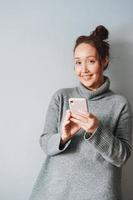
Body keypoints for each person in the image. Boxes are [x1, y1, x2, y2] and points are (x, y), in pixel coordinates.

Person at [29, 25, 132, 200]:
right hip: (53, 192)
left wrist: (96, 130)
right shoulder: (61, 97)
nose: (83, 69)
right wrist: (63, 136)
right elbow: (45, 143)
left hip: (99, 195)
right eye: (78, 62)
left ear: (104, 60)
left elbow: (122, 157)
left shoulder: (119, 104)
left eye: (90, 61)